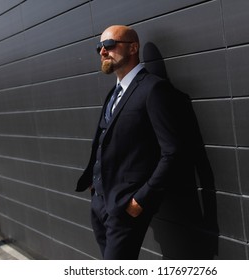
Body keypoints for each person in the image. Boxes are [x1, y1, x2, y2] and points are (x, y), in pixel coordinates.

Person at [76, 25, 193, 259]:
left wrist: (141, 200)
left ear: (133, 48)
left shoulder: (153, 89)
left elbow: (172, 152)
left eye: (109, 45)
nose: (102, 51)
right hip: (100, 203)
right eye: (99, 47)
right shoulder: (113, 93)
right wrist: (93, 183)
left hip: (125, 207)